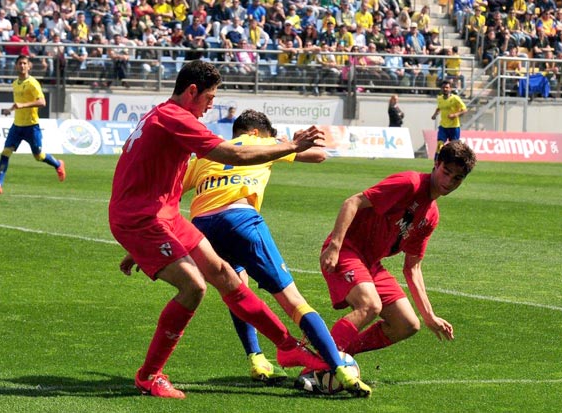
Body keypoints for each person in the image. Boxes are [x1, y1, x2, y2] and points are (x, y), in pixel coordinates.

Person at [110, 61, 371, 399]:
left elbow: (155, 175)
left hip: (163, 214)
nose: (210, 105)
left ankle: (287, 347)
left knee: (225, 274)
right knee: (194, 287)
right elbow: (230, 151)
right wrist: (293, 145)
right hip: (144, 218)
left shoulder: (160, 116)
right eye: (209, 97)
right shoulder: (177, 118)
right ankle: (150, 375)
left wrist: (140, 248)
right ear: (192, 91)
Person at [182, 110, 371, 392]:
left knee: (238, 291)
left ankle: (257, 359)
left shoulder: (210, 154)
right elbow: (319, 155)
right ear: (257, 132)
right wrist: (285, 142)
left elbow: (169, 194)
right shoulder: (265, 144)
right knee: (293, 301)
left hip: (202, 227)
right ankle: (340, 369)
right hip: (241, 220)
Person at [316, 141, 476, 364]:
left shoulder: (431, 216)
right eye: (446, 172)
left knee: (407, 324)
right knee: (370, 305)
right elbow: (352, 202)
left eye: (456, 178)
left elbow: (413, 267)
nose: (448, 182)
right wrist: (334, 246)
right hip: (346, 250)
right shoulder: (409, 183)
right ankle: (322, 364)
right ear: (436, 163)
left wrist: (429, 315)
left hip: (371, 264)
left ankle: (338, 355)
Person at [0, 55, 65, 194]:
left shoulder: (33, 83)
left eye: (24, 63)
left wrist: (22, 105)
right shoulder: (15, 83)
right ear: (16, 66)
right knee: (6, 152)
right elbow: (18, 103)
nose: (22, 66)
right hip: (17, 126)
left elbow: (42, 102)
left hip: (31, 126)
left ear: (29, 66)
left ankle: (58, 164)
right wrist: (9, 110)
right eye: (20, 63)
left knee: (38, 156)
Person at [430, 80, 468, 162]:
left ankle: (454, 162)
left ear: (450, 89)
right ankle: (437, 161)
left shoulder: (455, 98)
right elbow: (439, 108)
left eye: (447, 87)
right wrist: (434, 115)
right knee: (440, 144)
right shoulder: (439, 98)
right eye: (443, 87)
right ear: (441, 89)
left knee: (454, 147)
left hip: (454, 127)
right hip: (443, 126)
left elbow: (464, 110)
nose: (445, 89)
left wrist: (455, 115)